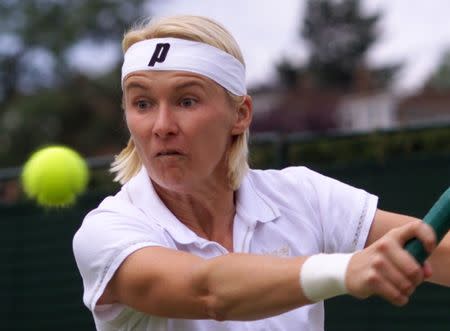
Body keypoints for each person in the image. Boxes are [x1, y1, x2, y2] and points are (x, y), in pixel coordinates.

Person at [72, 15, 450, 331]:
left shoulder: (303, 195)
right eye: (142, 103)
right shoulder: (106, 231)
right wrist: (343, 269)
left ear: (241, 114)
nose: (162, 125)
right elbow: (209, 291)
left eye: (187, 100)